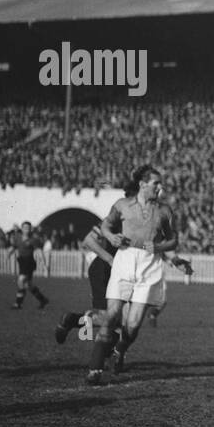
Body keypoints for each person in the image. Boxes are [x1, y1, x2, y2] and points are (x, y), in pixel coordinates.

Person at [85, 164, 179, 385]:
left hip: (149, 265)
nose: (160, 187)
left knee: (134, 323)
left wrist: (158, 248)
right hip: (125, 260)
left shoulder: (164, 211)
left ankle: (119, 349)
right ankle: (95, 368)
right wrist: (111, 238)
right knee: (112, 315)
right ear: (143, 184)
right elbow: (105, 227)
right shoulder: (122, 206)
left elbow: (173, 239)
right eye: (156, 183)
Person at [55, 223, 192, 346]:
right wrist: (109, 259)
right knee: (109, 318)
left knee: (122, 322)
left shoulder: (151, 221)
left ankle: (108, 358)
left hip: (124, 273)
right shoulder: (119, 216)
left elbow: (161, 244)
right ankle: (72, 320)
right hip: (103, 270)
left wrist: (175, 259)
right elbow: (89, 241)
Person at [8, 221, 49, 310]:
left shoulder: (33, 239)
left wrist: (43, 262)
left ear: (31, 229)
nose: (27, 229)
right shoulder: (17, 238)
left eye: (28, 228)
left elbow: (38, 251)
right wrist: (9, 254)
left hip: (29, 262)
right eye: (25, 228)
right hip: (22, 262)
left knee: (21, 280)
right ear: (22, 229)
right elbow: (14, 247)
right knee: (28, 285)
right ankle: (43, 300)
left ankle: (18, 303)